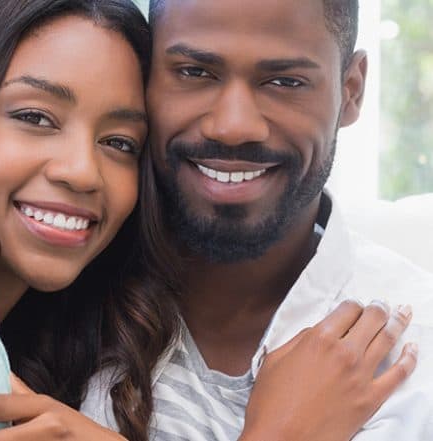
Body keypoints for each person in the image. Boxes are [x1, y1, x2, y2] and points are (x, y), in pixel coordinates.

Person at [0, 0, 419, 441]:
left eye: (118, 141)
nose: (83, 172)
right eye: (34, 117)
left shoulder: (77, 308)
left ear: (351, 89)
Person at [76, 0, 433, 440]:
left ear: (352, 91)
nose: (232, 126)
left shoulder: (416, 358)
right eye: (194, 72)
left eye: (285, 81)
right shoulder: (56, 291)